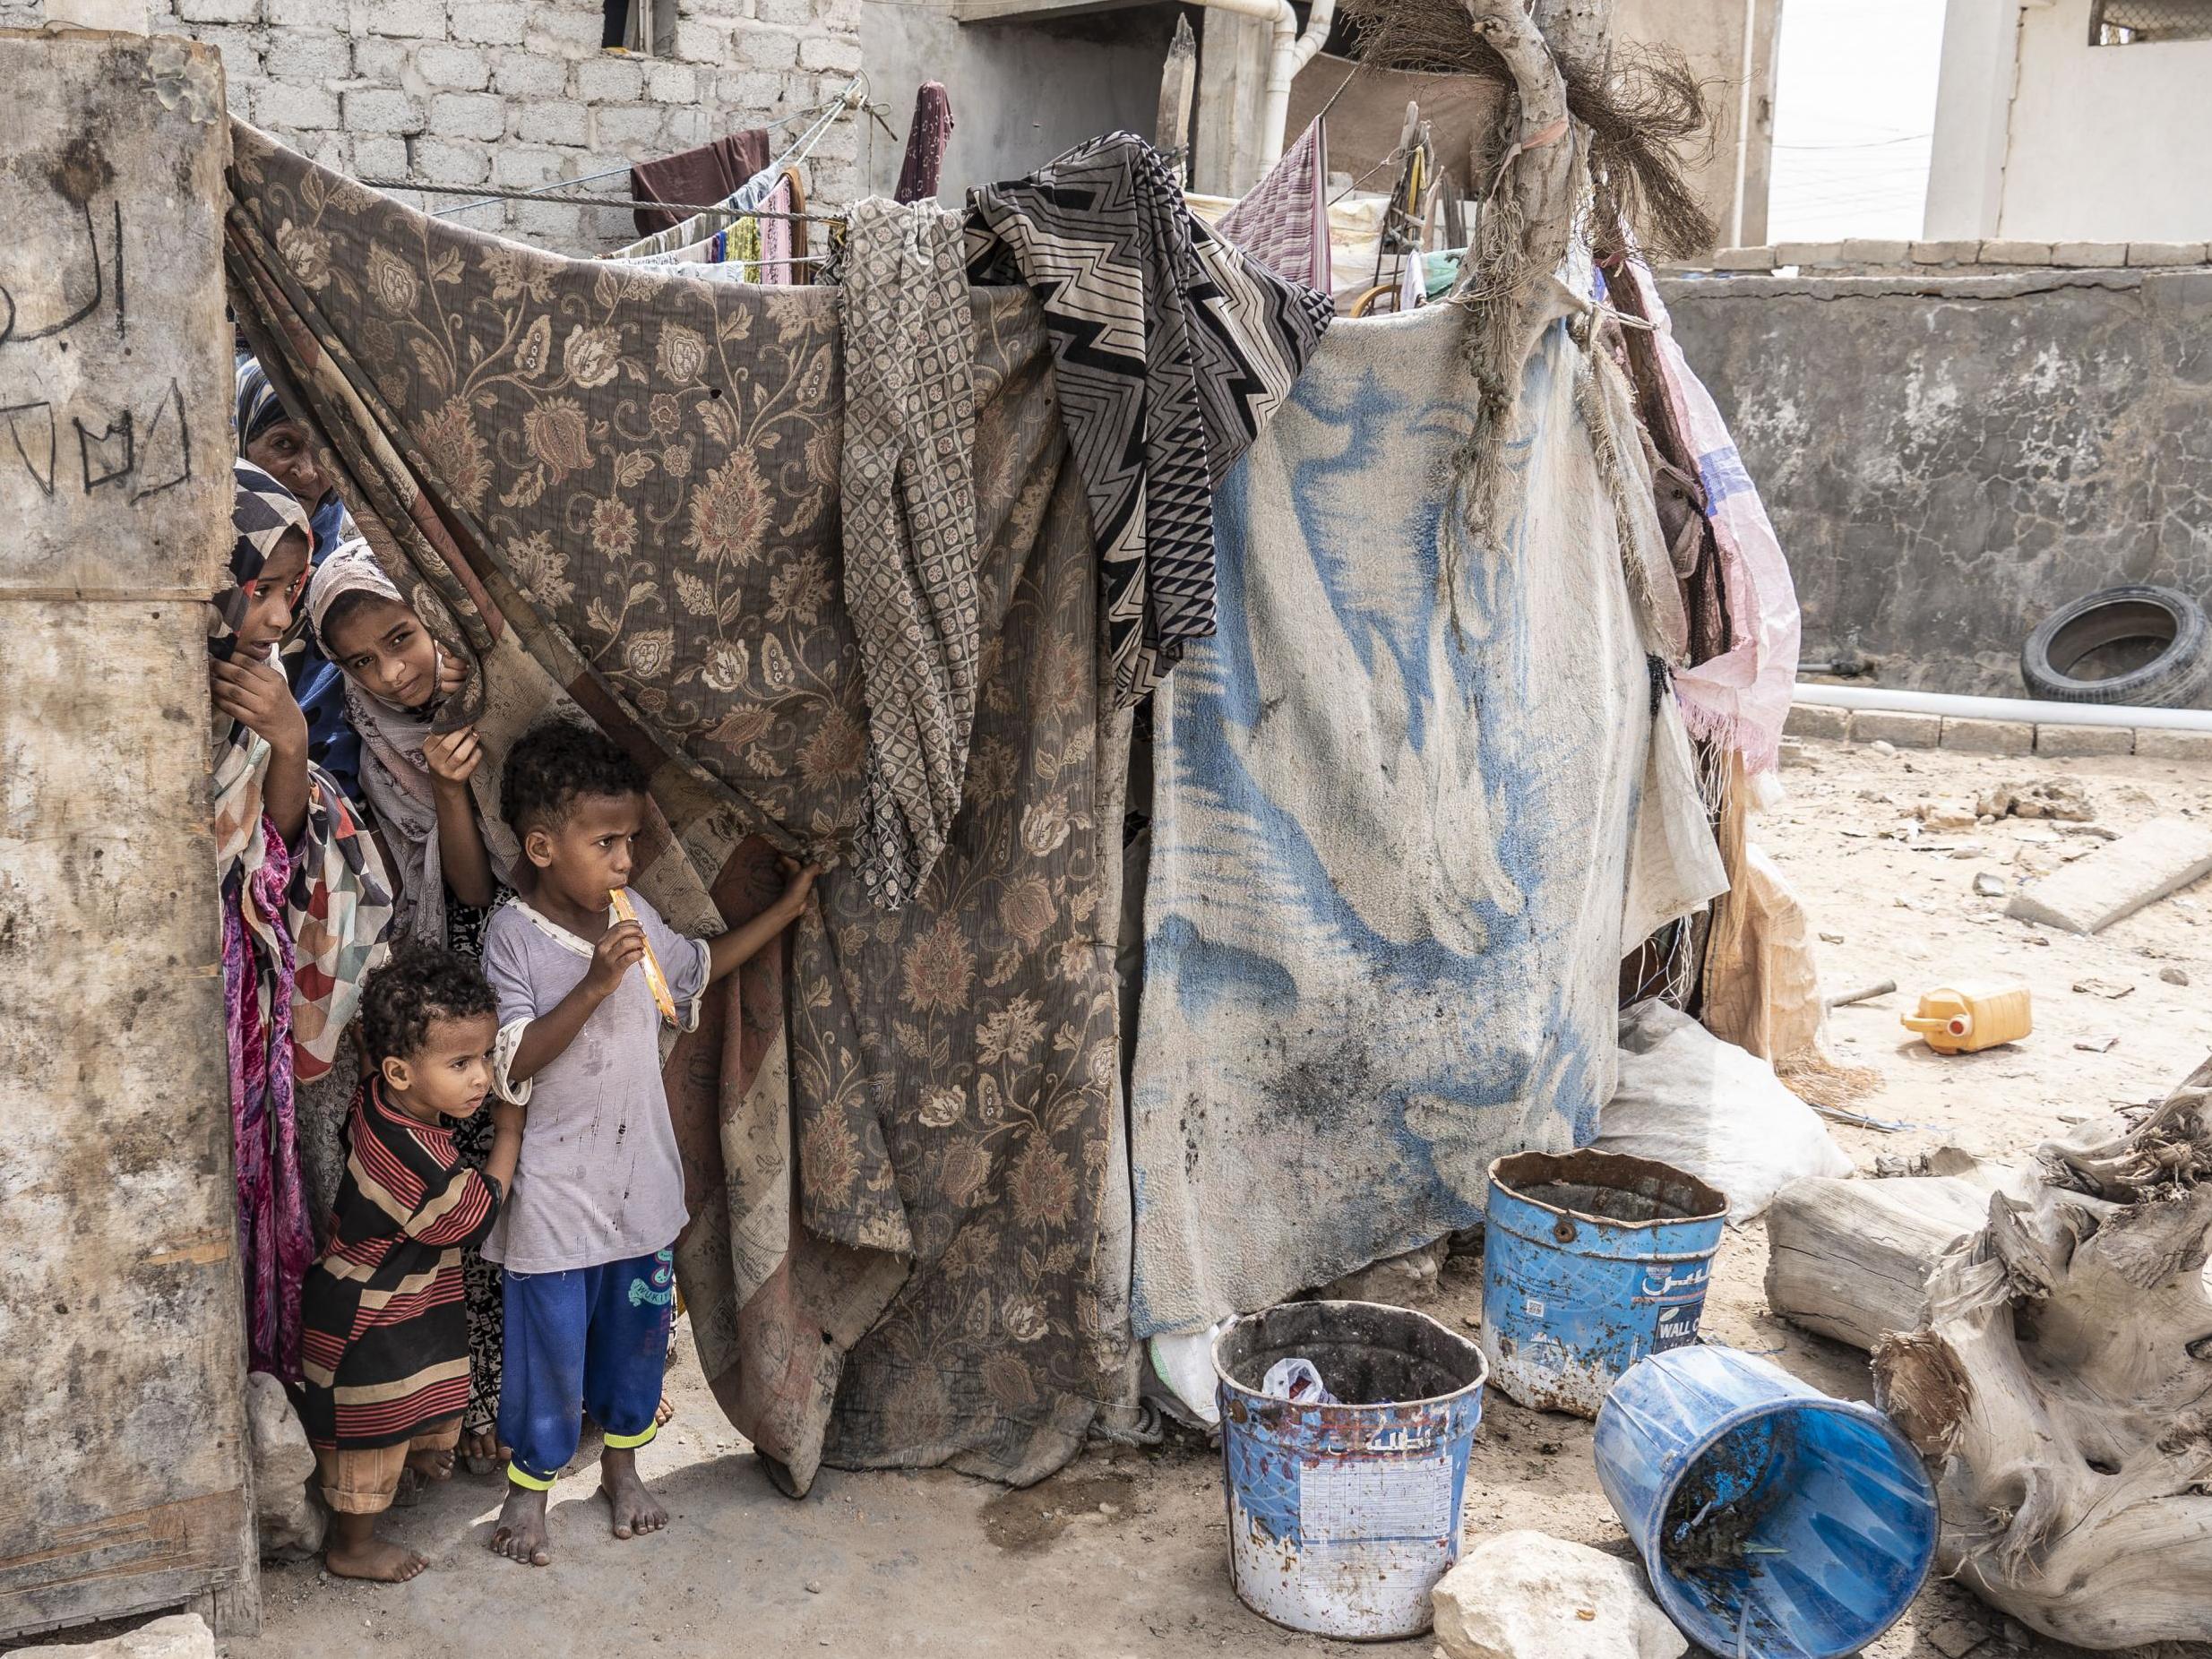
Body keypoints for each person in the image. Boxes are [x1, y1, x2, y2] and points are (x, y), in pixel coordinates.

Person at [481, 719, 819, 1567]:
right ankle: (530, 1491)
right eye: (607, 843)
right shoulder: (513, 937)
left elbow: (698, 967)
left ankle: (625, 1470)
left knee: (636, 1344)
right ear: (543, 846)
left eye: (631, 840)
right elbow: (510, 1062)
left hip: (638, 1184)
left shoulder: (634, 914)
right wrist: (596, 982)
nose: (626, 861)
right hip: (554, 1198)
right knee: (549, 1352)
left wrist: (781, 913)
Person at [304, 539, 512, 1470]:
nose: (393, 672)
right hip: (455, 980)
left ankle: (577, 1385)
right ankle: (478, 1407)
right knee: (467, 1211)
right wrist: (449, 788)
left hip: (546, 958)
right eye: (362, 660)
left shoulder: (502, 688)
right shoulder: (372, 731)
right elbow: (464, 887)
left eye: (402, 637)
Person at [212, 461, 395, 1382]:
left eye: (291, 590)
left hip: (247, 992)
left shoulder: (264, 695)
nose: (282, 616)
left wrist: (287, 741)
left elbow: (278, 850)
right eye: (264, 590)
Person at [300, 943, 522, 1583]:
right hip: (369, 1318)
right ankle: (354, 1545)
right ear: (400, 1071)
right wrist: (508, 1132)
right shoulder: (415, 1158)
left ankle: (413, 1464)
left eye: (485, 1056)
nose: (481, 1077)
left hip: (386, 1300)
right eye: (461, 1062)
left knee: (408, 1399)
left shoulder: (381, 1100)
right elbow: (475, 1213)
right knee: (370, 1435)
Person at [237, 355, 362, 797]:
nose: (309, 473)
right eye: (284, 445)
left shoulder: (353, 576)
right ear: (237, 441)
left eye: (324, 449)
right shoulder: (204, 575)